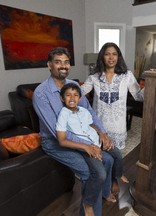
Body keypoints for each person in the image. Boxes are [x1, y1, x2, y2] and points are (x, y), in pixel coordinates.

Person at [32, 47, 114, 216]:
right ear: (49, 65)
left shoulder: (75, 85)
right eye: (58, 62)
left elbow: (89, 112)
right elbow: (57, 133)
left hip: (81, 137)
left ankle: (104, 193)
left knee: (109, 158)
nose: (63, 66)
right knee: (89, 172)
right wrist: (90, 145)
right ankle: (90, 210)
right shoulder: (41, 93)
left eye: (66, 62)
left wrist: (102, 134)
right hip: (55, 142)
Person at [56, 83, 128, 205]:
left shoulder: (83, 110)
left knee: (116, 154)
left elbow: (91, 125)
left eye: (75, 95)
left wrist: (101, 135)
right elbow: (62, 140)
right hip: (87, 147)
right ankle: (88, 202)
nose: (72, 98)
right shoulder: (63, 114)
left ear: (80, 98)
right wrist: (87, 147)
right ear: (62, 98)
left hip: (97, 140)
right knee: (101, 173)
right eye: (68, 95)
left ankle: (115, 179)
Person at [81, 42, 144, 150]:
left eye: (114, 54)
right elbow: (78, 92)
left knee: (116, 157)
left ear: (118, 57)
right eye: (107, 54)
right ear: (102, 57)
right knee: (100, 157)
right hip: (99, 128)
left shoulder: (127, 75)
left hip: (118, 129)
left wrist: (151, 85)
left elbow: (139, 96)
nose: (111, 57)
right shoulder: (94, 77)